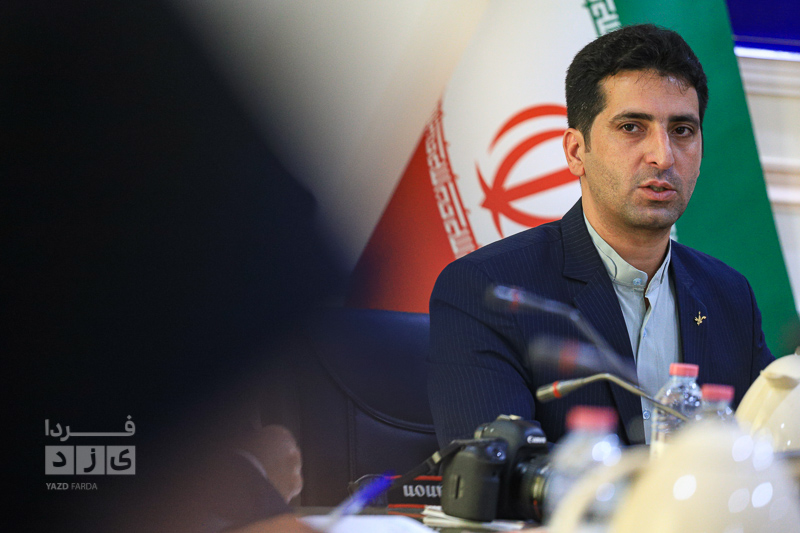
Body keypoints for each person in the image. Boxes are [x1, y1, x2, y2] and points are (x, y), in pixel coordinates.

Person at [428, 24, 774, 448]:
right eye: (631, 127)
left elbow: (772, 454)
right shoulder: (489, 290)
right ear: (576, 151)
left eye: (682, 130)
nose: (663, 156)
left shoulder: (731, 298)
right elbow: (494, 473)